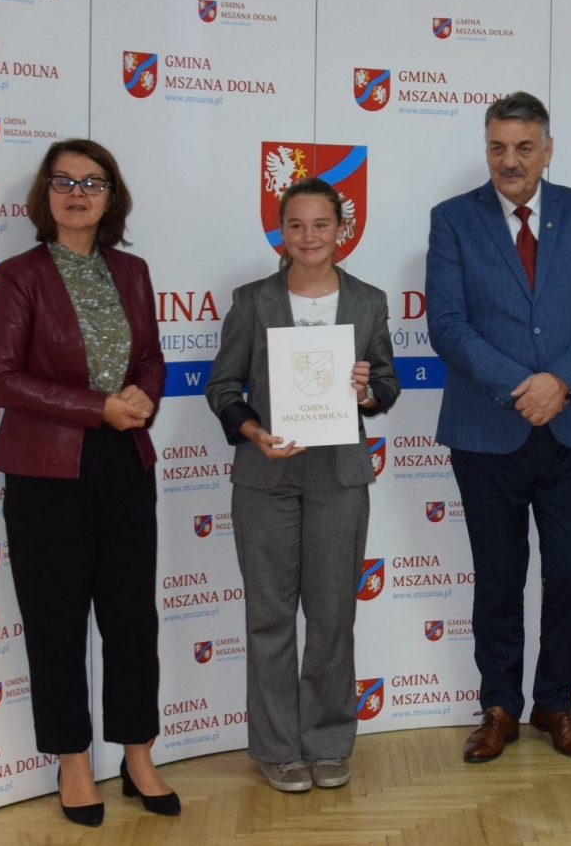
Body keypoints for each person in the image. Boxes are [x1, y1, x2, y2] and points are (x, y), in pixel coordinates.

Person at [0, 139, 180, 825]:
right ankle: (71, 761)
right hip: (45, 471)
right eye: (63, 181)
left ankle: (137, 752)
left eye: (92, 182)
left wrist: (143, 395)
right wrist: (97, 407)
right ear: (45, 194)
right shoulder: (20, 276)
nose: (77, 193)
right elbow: (0, 379)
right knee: (56, 621)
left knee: (132, 617)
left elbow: (150, 357)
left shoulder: (132, 270)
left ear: (110, 196)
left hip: (124, 460)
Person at [425, 92, 571, 762]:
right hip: (487, 430)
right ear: (486, 148)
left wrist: (559, 382)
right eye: (497, 147)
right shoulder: (453, 219)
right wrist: (522, 387)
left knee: (570, 571)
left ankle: (555, 702)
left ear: (546, 150)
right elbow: (447, 324)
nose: (509, 160)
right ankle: (499, 706)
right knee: (498, 575)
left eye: (522, 147)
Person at [205, 177, 400, 792]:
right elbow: (222, 386)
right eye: (296, 225)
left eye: (321, 224)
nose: (309, 236)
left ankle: (328, 741)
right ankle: (276, 747)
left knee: (333, 615)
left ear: (342, 230)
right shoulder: (252, 300)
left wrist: (366, 392)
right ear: (281, 232)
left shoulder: (367, 300)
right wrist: (253, 430)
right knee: (268, 616)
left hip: (339, 475)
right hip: (266, 473)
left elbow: (387, 384)